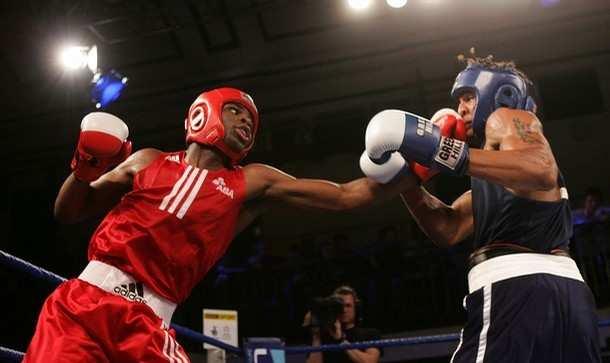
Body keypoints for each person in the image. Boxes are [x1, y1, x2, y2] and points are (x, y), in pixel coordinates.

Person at [23, 87, 415, 362]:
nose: (246, 122)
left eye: (251, 120)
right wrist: (85, 165)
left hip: (147, 321)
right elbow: (70, 211)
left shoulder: (251, 181)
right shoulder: (148, 160)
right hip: (82, 305)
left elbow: (349, 195)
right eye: (235, 111)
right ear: (204, 112)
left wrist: (422, 167)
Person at [359, 52, 600, 362]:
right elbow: (449, 229)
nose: (460, 108)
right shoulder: (499, 177)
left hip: (516, 288)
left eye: (469, 97)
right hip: (570, 297)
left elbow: (541, 170)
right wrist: (408, 179)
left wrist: (442, 150)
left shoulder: (510, 117)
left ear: (503, 93)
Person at [305, 286, 381, 363]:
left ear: (356, 308)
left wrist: (341, 340)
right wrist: (316, 336)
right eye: (339, 307)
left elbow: (371, 361)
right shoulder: (321, 336)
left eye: (348, 306)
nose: (344, 310)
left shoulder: (370, 334)